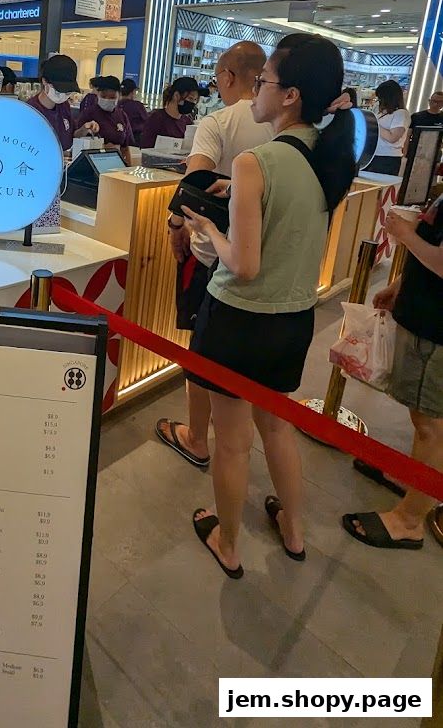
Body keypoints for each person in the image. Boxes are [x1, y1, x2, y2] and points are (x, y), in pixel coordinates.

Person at [181, 35, 356, 578]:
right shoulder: (324, 165)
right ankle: (294, 528)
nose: (257, 90)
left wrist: (209, 225)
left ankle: (229, 545)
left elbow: (245, 265)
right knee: (277, 428)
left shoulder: (259, 161)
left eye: (266, 82)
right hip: (293, 321)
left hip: (237, 321)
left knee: (232, 445)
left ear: (290, 96)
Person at [156, 42, 272, 467]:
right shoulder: (288, 125)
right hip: (265, 263)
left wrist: (174, 225)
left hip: (211, 256)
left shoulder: (218, 120)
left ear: (226, 76)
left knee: (201, 349)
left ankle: (197, 438)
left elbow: (196, 182)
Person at [343, 196, 443, 549]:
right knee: (423, 419)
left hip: (437, 333)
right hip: (424, 323)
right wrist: (400, 285)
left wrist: (404, 234)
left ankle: (410, 520)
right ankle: (415, 485)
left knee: (433, 427)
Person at [27, 54, 98, 152]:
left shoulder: (64, 106)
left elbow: (70, 136)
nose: (63, 95)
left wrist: (83, 130)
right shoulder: (31, 112)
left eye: (67, 92)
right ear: (44, 81)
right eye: (59, 90)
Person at [83, 75, 133, 165]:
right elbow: (77, 138)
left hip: (117, 163)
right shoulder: (89, 114)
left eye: (112, 97)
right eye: (104, 96)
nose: (107, 100)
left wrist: (128, 167)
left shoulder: (122, 115)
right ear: (98, 94)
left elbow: (125, 148)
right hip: (94, 162)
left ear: (119, 95)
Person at [365, 80, 409, 176]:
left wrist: (374, 124)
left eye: (381, 98)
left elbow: (392, 138)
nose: (379, 101)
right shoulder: (381, 112)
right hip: (373, 155)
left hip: (388, 158)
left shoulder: (401, 114)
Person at [142, 76, 200, 148]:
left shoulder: (188, 123)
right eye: (190, 98)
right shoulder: (156, 119)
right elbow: (145, 149)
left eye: (194, 100)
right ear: (176, 95)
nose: (192, 103)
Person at [119, 78, 148, 145]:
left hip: (119, 139)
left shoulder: (116, 105)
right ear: (133, 92)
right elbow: (148, 122)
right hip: (135, 141)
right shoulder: (138, 106)